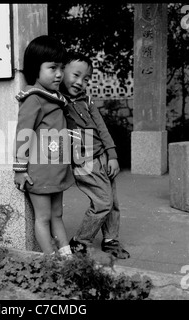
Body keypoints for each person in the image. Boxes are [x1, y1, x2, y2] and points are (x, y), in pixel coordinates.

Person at [59, 51, 130, 259]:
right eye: (76, 75)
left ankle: (110, 239)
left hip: (102, 157)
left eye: (86, 78)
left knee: (112, 201)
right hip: (83, 161)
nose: (81, 82)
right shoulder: (57, 101)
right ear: (62, 71)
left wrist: (112, 155)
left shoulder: (86, 101)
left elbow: (102, 128)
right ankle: (80, 241)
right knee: (103, 202)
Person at [13, 35, 74, 256]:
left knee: (57, 215)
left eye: (61, 68)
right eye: (52, 68)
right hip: (39, 172)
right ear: (35, 69)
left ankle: (67, 258)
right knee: (44, 217)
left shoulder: (55, 98)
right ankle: (51, 264)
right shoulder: (34, 99)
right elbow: (23, 134)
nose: (59, 74)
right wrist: (19, 170)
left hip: (56, 170)